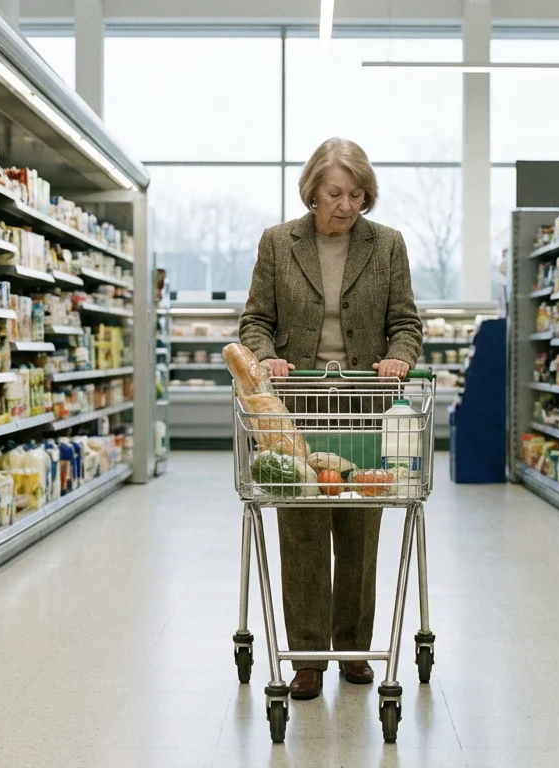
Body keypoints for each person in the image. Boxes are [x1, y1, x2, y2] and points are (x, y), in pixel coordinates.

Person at [239, 137, 423, 701]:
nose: (347, 204)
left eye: (357, 194)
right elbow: (254, 322)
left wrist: (400, 358)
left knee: (360, 527)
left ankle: (354, 649)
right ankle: (310, 655)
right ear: (313, 191)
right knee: (301, 530)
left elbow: (406, 324)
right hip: (294, 407)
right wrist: (266, 355)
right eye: (335, 193)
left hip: (366, 402)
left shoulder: (387, 245)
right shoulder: (278, 243)